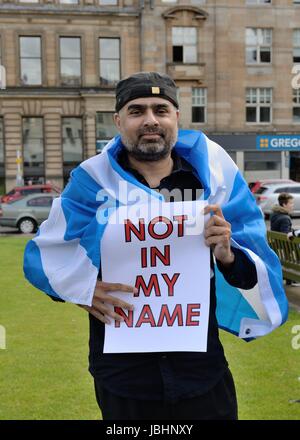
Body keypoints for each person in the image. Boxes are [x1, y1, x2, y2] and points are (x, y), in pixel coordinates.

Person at [24, 72, 288, 420]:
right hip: (123, 377)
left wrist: (226, 254)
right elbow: (47, 254)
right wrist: (84, 289)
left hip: (201, 371)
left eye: (161, 109)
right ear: (118, 121)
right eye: (136, 111)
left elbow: (249, 267)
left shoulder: (212, 180)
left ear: (176, 117)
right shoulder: (91, 184)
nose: (150, 120)